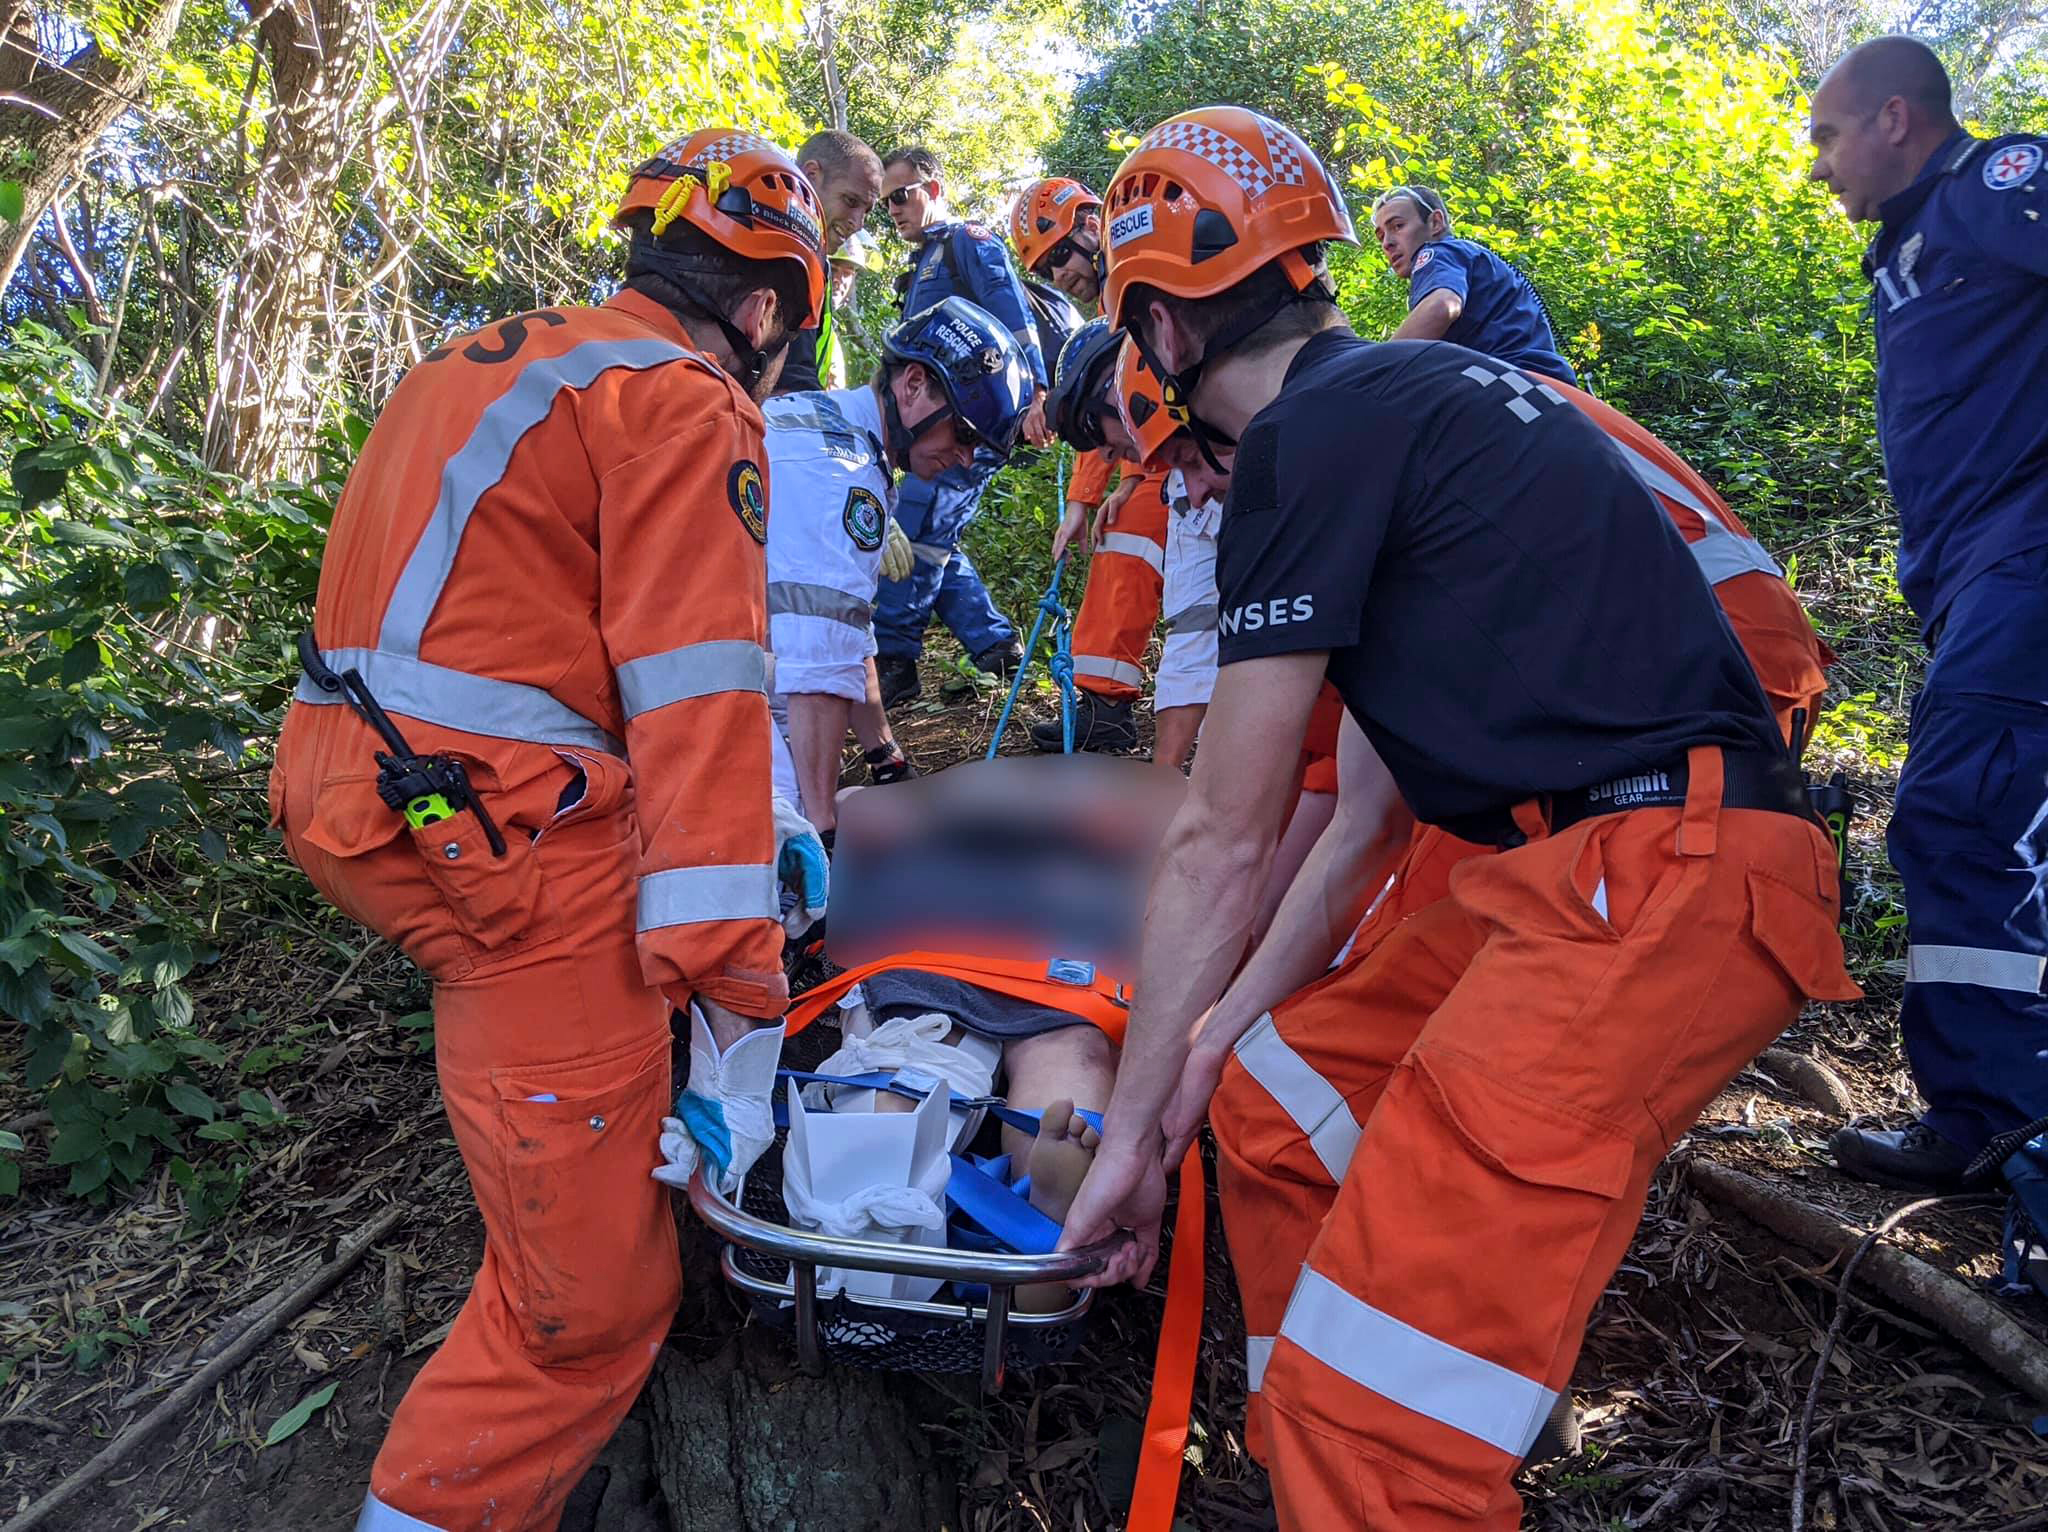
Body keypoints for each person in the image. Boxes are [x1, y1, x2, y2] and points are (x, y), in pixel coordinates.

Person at [1056, 106, 1857, 1530]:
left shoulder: (1307, 442)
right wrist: (1193, 1068)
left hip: (1651, 880)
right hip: (1593, 863)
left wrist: (1120, 1141)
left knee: (1370, 1428)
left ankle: (1372, 1449)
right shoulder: (1427, 406)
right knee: (1282, 1098)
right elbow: (1362, 813)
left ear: (1164, 331)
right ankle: (1328, 1435)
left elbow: (1225, 836)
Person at [271, 130, 828, 1532]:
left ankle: (558, 1170)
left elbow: (543, 642)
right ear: (763, 309)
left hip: (361, 799)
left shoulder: (498, 362)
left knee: (571, 1151)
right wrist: (741, 1026)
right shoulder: (686, 400)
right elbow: (697, 698)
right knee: (586, 1310)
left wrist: (758, 815)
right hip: (505, 853)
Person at [1807, 37, 2048, 1192]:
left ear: (1894, 118)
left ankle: (1993, 1121)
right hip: (1967, 580)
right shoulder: (1908, 248)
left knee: (1958, 809)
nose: (1816, 167)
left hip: (2026, 555)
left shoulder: (1993, 185)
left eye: (1827, 134)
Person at [763, 298, 1033, 834]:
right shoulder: (841, 472)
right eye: (964, 435)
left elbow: (848, 628)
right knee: (791, 845)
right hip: (713, 683)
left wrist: (885, 755)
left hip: (721, 661)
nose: (963, 459)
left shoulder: (830, 426)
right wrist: (821, 831)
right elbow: (819, 665)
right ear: (913, 385)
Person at [872, 145, 1052, 705]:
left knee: (919, 528)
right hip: (932, 430)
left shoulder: (966, 244)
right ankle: (997, 649)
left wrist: (1039, 392)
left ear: (934, 188)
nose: (893, 209)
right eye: (885, 203)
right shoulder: (921, 263)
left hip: (970, 427)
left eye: (900, 196)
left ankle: (894, 660)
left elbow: (1012, 313)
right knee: (930, 537)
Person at [1032, 319, 1174, 754]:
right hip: (1158, 443)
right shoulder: (1109, 304)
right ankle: (1103, 703)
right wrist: (1088, 497)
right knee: (1123, 525)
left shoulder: (1131, 272)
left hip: (1189, 436)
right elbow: (1109, 404)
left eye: (1059, 259)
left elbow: (1133, 392)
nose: (1058, 276)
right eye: (1045, 270)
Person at [1370, 183, 1577, 382]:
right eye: (1381, 237)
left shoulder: (1438, 252)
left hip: (1515, 381)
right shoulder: (1470, 257)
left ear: (1435, 223)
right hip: (1548, 385)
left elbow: (1441, 306)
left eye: (1397, 226)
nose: (1387, 243)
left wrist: (1372, 370)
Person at [772, 129, 883, 397]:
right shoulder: (770, 240)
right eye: (850, 201)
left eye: (866, 211)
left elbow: (798, 371)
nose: (857, 224)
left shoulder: (815, 261)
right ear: (811, 175)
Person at [1010, 174, 1105, 305]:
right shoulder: (1111, 307)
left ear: (1092, 227)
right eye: (1046, 272)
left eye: (1059, 254)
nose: (1057, 276)